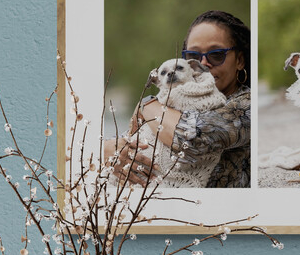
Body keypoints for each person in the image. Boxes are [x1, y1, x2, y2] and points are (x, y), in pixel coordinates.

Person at [106, 10, 251, 188]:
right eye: (193, 55)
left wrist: (146, 105)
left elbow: (191, 138)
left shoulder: (247, 106)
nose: (204, 63)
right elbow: (127, 137)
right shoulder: (173, 98)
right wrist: (109, 150)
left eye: (216, 54)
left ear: (240, 60)